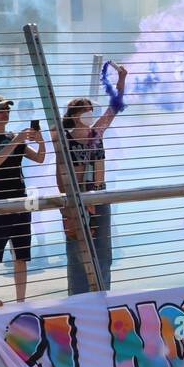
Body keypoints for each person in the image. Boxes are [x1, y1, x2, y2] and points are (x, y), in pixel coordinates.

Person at [56, 66, 126, 295]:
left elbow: (114, 107)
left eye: (91, 111)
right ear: (75, 115)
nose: (91, 115)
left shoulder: (95, 133)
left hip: (99, 193)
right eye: (86, 111)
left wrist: (122, 79)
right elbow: (61, 172)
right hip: (78, 196)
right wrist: (68, 203)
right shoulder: (64, 140)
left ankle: (103, 292)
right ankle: (79, 295)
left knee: (103, 250)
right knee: (79, 250)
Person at [0, 96, 44, 303]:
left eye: (6, 109)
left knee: (21, 257)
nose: (5, 113)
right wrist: (16, 141)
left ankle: (21, 301)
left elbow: (39, 158)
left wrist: (40, 140)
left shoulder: (15, 136)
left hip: (21, 201)